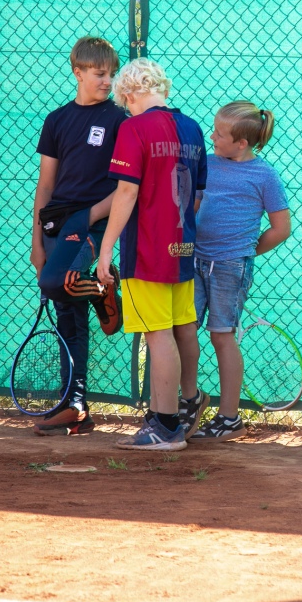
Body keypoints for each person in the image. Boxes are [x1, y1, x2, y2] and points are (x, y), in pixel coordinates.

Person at [97, 59, 209, 451]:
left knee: (157, 333)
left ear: (129, 94)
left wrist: (107, 247)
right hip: (182, 246)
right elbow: (196, 196)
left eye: (123, 100)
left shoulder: (133, 128)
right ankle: (188, 403)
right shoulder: (192, 127)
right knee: (184, 326)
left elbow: (126, 193)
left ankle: (166, 425)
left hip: (146, 249)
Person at [30, 36, 126, 436]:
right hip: (57, 225)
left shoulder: (121, 119)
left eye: (111, 74)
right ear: (78, 72)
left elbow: (125, 186)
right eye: (100, 74)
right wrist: (36, 241)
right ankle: (75, 404)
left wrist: (90, 217)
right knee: (67, 305)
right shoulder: (56, 120)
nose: (107, 81)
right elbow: (46, 184)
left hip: (94, 222)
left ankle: (105, 288)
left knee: (56, 282)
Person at [188, 102, 291, 441]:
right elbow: (196, 204)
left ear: (242, 143)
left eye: (220, 133)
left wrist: (246, 251)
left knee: (221, 335)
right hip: (194, 260)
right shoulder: (208, 163)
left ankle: (229, 418)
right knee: (183, 329)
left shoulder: (264, 176)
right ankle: (188, 401)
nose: (212, 136)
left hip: (231, 267)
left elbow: (281, 227)